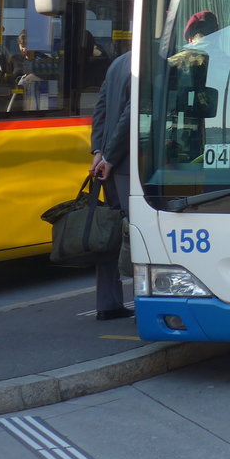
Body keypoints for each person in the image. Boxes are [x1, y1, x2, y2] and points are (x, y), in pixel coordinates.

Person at [89, 50, 133, 321]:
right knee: (138, 234)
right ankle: (146, 298)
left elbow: (101, 109)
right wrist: (110, 157)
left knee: (111, 233)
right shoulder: (150, 61)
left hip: (111, 165)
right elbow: (131, 116)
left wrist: (98, 152)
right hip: (131, 165)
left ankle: (108, 302)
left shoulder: (118, 62)